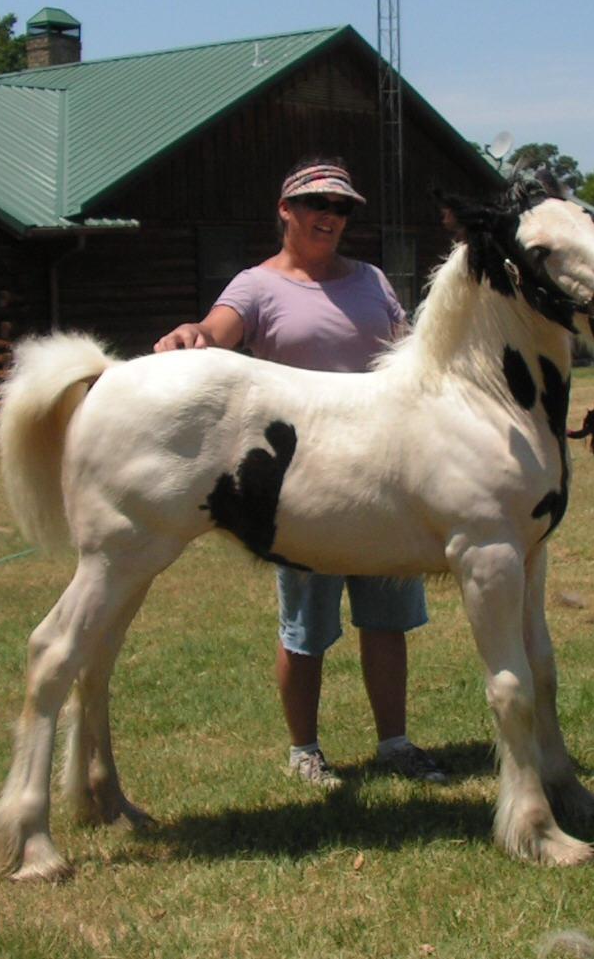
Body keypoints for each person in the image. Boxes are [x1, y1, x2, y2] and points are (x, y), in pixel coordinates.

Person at [154, 157, 445, 788]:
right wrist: (190, 335)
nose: (330, 216)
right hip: (303, 487)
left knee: (387, 619)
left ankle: (394, 744)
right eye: (317, 203)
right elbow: (216, 332)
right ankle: (305, 750)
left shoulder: (370, 279)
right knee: (305, 629)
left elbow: (411, 353)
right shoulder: (257, 285)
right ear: (285, 210)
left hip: (385, 475)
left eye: (342, 208)